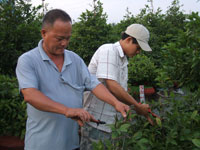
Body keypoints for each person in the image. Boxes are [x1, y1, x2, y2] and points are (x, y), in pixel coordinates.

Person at [15, 9, 130, 150]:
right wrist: (67, 110)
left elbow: (94, 84)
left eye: (68, 38)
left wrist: (116, 103)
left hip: (71, 144)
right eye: (59, 38)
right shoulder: (28, 60)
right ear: (44, 33)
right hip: (41, 144)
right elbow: (30, 95)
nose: (64, 43)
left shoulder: (74, 59)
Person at [81, 24, 153, 150]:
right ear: (129, 39)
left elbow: (119, 90)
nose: (139, 52)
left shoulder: (123, 60)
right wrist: (137, 106)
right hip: (97, 123)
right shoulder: (109, 50)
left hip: (111, 125)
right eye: (138, 47)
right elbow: (112, 85)